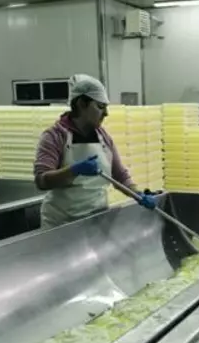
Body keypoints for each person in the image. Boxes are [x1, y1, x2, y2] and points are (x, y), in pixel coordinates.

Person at [34, 74, 156, 230]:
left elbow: (120, 177)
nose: (106, 113)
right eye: (100, 106)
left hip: (96, 221)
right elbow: (42, 181)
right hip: (62, 225)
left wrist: (139, 195)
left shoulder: (103, 137)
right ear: (81, 104)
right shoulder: (54, 136)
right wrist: (74, 170)